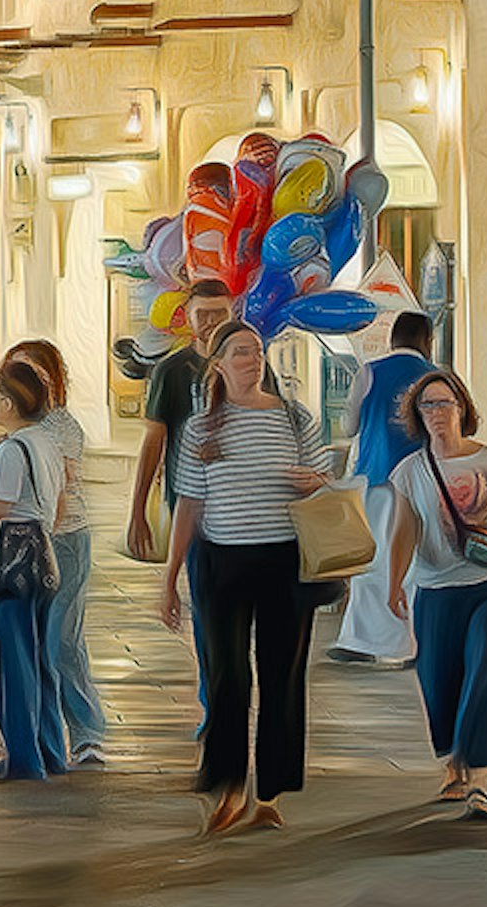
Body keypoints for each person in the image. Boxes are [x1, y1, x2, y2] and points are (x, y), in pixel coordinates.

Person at [156, 318, 333, 837]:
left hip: (285, 563)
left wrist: (314, 480)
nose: (252, 361)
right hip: (221, 564)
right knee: (228, 677)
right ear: (218, 365)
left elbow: (324, 476)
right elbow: (189, 502)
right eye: (240, 353)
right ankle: (229, 783)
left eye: (257, 353)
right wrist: (170, 578)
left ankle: (270, 794)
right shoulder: (201, 428)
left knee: (282, 677)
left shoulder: (295, 419)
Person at [379, 365, 487, 819]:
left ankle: (480, 781)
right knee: (438, 683)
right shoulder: (410, 471)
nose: (436, 413)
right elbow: (403, 530)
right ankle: (453, 765)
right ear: (418, 413)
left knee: (485, 677)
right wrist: (393, 584)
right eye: (426, 405)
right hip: (436, 589)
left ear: (462, 408)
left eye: (444, 403)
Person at [0, 360, 67, 779]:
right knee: (40, 661)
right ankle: (50, 753)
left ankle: (23, 759)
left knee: (12, 663)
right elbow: (58, 505)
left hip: (10, 559)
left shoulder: (12, 448)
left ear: (7, 402)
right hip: (43, 555)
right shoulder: (46, 443)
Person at [0, 338, 103, 765]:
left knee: (61, 640)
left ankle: (86, 732)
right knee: (32, 642)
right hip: (26, 541)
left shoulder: (60, 426)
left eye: (35, 373)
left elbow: (58, 488)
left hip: (64, 539)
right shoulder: (14, 425)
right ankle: (42, 736)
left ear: (52, 380)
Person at [332, 312, 435, 664]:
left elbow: (349, 426)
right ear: (428, 340)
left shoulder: (369, 372)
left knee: (372, 559)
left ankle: (363, 642)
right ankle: (414, 645)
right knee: (417, 561)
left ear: (393, 338)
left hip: (376, 479)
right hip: (423, 482)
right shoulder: (437, 377)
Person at [123, 282, 240, 562]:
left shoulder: (250, 363)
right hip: (189, 499)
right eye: (203, 314)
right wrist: (137, 510)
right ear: (189, 317)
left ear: (232, 314)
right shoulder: (170, 371)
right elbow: (153, 440)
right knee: (200, 580)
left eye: (219, 314)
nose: (211, 322)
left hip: (242, 498)